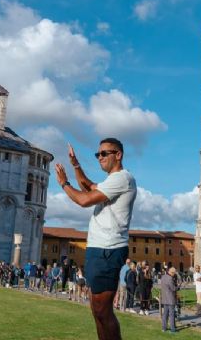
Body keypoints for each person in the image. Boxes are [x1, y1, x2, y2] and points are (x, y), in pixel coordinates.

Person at [55, 139, 136, 340]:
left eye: (104, 153)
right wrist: (75, 164)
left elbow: (84, 200)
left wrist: (64, 184)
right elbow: (89, 187)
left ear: (118, 155)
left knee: (103, 310)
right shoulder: (111, 181)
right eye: (97, 154)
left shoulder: (122, 178)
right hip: (98, 248)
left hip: (108, 249)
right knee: (96, 310)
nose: (100, 157)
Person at [161, 266, 178, 333]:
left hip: (165, 298)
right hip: (170, 299)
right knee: (171, 314)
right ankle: (172, 329)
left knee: (165, 314)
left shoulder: (163, 277)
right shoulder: (170, 278)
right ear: (171, 272)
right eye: (174, 273)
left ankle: (164, 328)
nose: (174, 275)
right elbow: (173, 288)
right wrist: (178, 287)